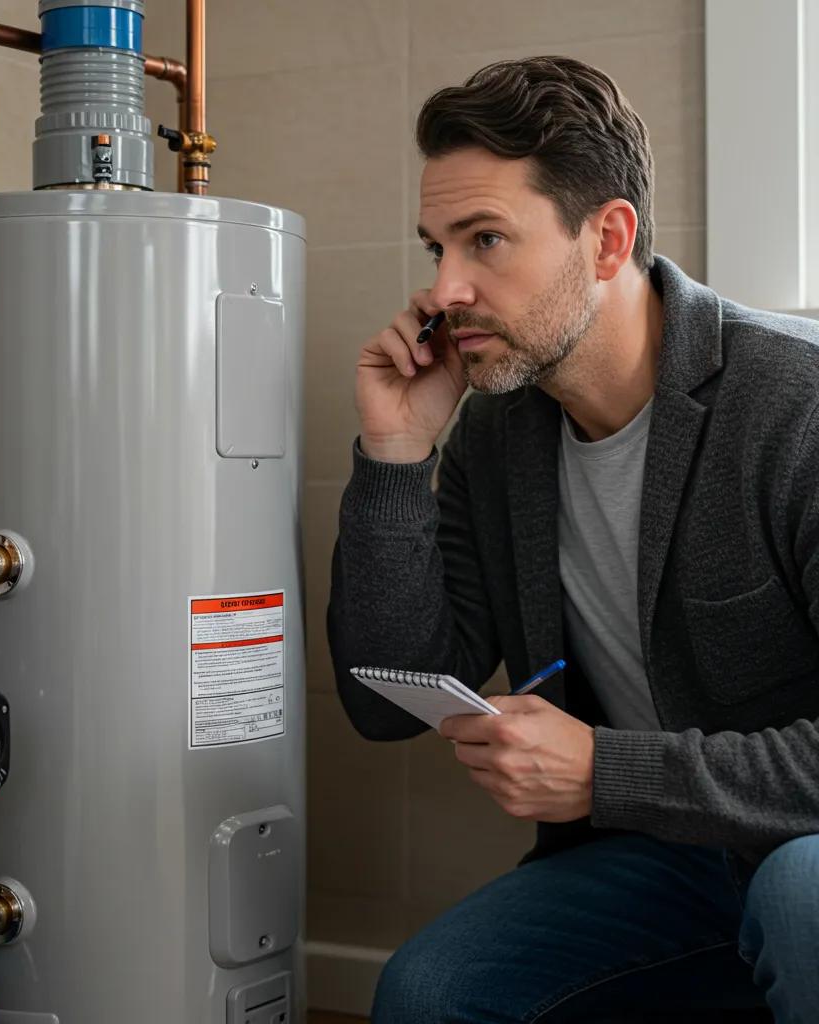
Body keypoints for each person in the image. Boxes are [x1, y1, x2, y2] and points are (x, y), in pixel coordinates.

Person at [326, 55, 819, 1024]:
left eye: (486, 240)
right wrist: (394, 454)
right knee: (427, 993)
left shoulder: (794, 406)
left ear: (607, 238)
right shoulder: (496, 436)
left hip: (801, 844)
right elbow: (386, 698)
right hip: (656, 856)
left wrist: (607, 770)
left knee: (800, 900)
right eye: (436, 248)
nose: (446, 288)